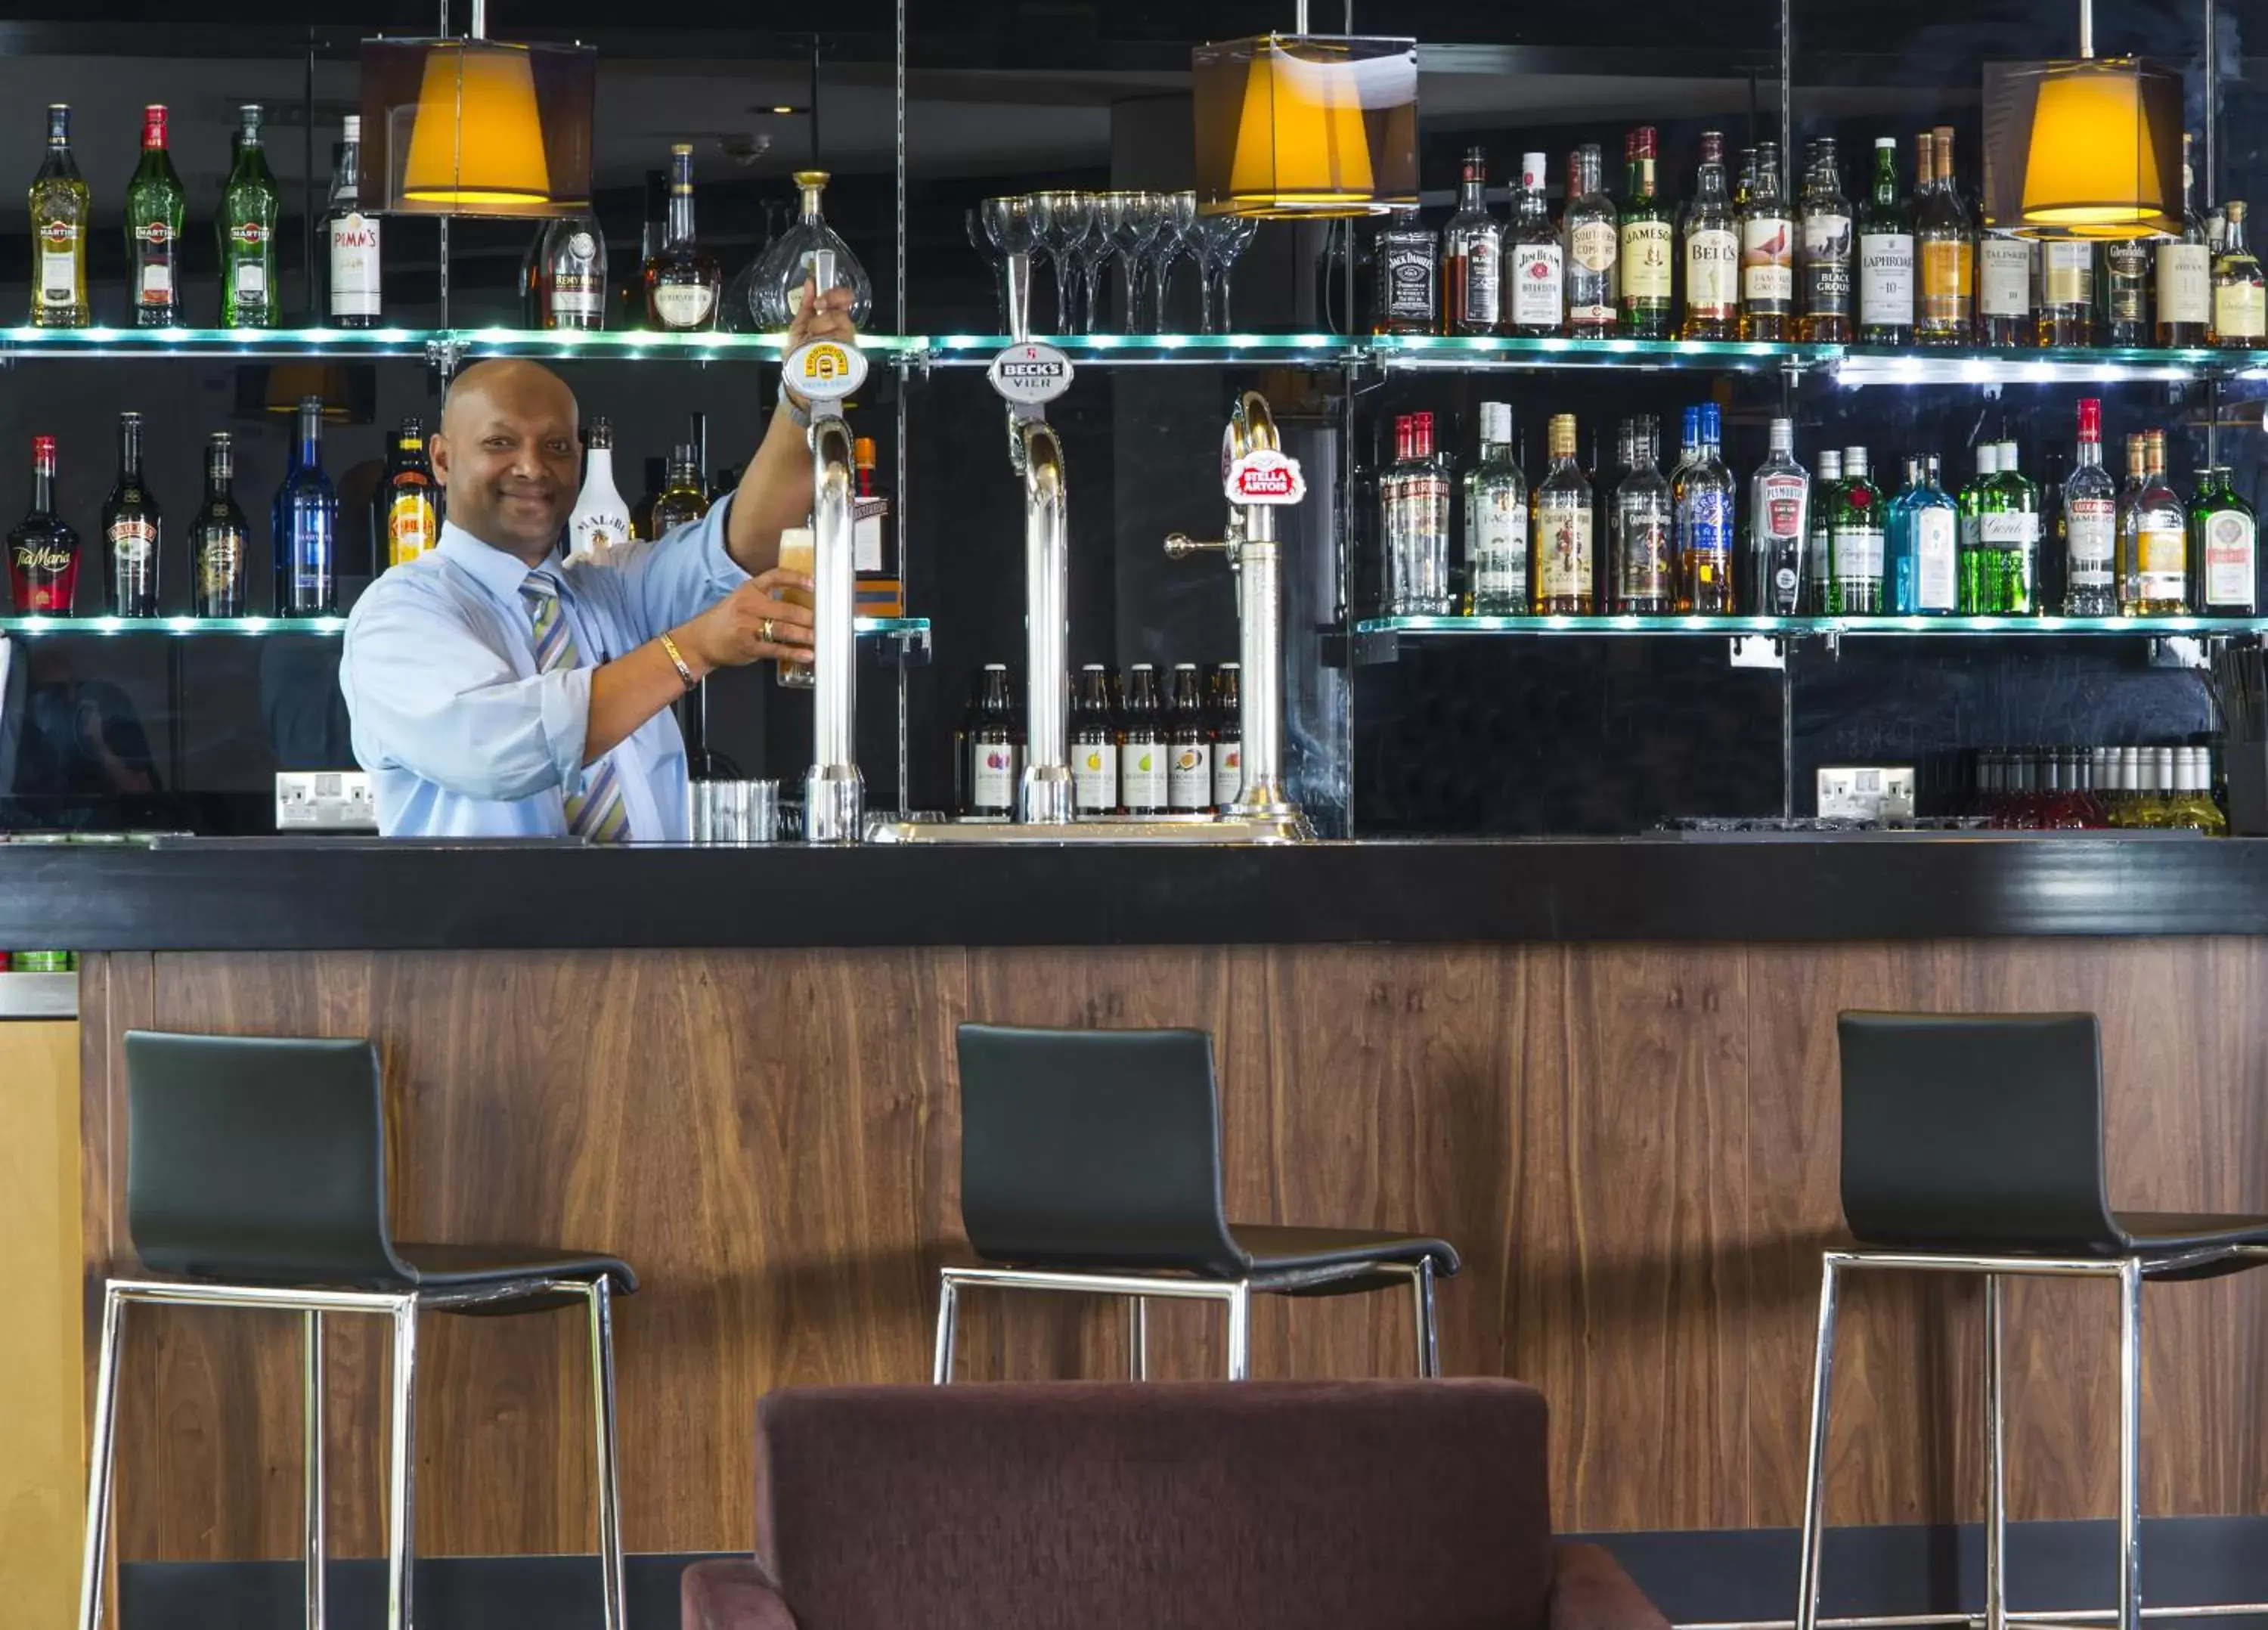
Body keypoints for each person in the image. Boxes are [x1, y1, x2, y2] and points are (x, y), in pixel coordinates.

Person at [340, 280, 854, 840]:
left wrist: (801, 398)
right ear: (441, 460)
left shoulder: (608, 589)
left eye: (557, 447)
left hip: (645, 922)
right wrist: (694, 648)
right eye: (500, 444)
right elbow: (502, 748)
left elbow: (741, 547)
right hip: (489, 927)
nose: (532, 469)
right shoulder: (402, 614)